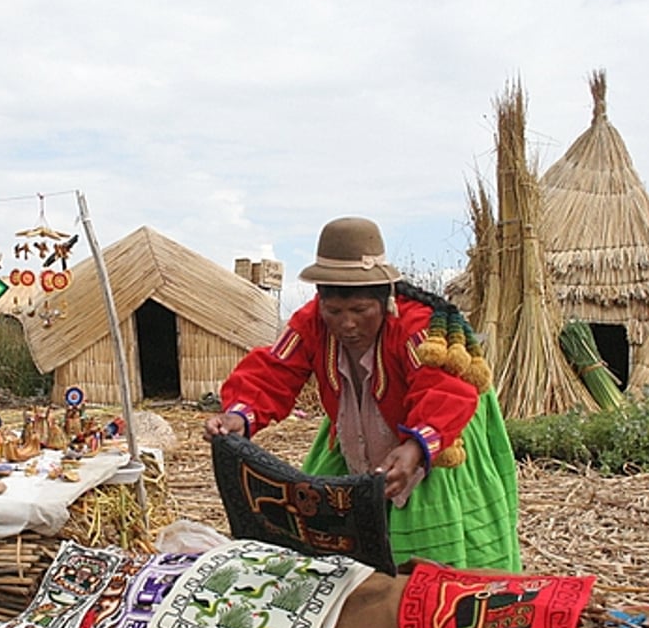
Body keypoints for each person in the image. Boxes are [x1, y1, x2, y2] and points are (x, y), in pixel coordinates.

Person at [204, 216, 520, 571]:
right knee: (328, 541)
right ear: (319, 300)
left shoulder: (418, 328)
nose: (347, 323)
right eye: (334, 311)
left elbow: (445, 389)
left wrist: (416, 448)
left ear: (384, 300)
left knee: (426, 559)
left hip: (437, 431)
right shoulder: (311, 322)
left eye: (360, 311)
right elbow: (274, 370)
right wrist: (239, 414)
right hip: (355, 427)